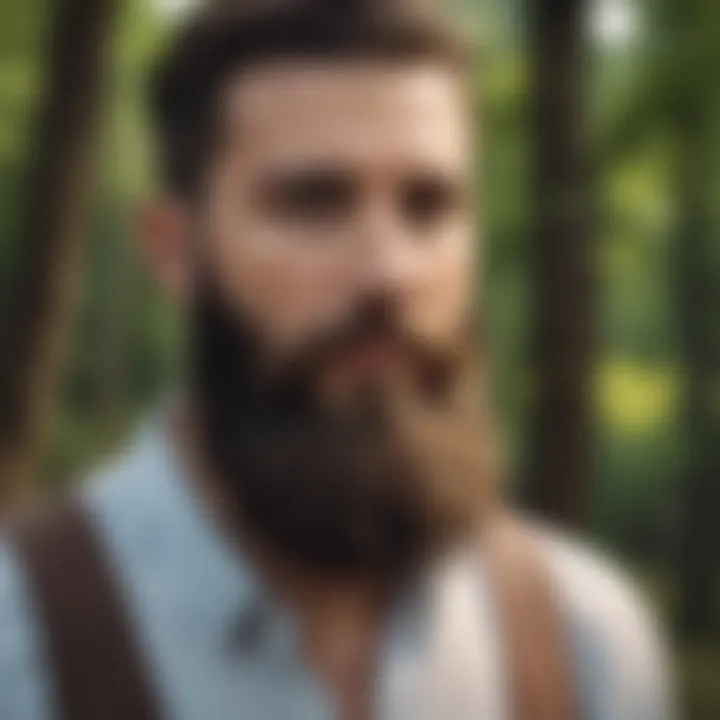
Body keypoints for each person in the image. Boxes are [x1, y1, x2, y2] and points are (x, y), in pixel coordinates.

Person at [0, 1, 671, 718]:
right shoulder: (21, 646)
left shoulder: (586, 643)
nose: (390, 272)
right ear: (175, 249)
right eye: (313, 203)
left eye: (429, 206)